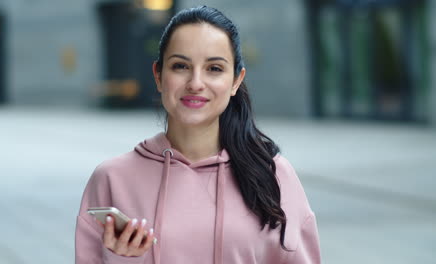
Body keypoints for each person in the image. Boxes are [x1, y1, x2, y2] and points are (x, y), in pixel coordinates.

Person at [75, 6, 321, 264]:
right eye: (181, 66)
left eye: (214, 68)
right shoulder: (112, 179)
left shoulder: (274, 174)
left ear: (236, 80)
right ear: (158, 76)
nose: (195, 83)